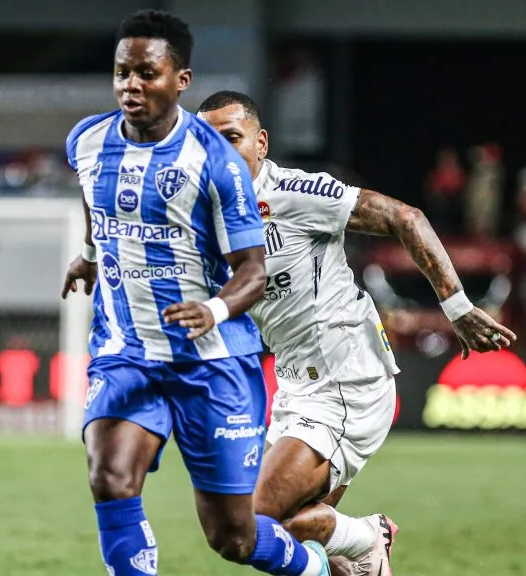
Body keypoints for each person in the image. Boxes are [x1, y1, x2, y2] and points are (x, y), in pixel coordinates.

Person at [197, 91, 518, 576]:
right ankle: (356, 558)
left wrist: (457, 307)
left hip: (346, 380)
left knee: (250, 520)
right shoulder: (207, 214)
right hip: (295, 385)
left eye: (232, 138)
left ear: (261, 143)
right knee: (271, 531)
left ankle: (368, 536)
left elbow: (405, 217)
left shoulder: (293, 193)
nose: (220, 152)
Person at [62, 10, 331, 576]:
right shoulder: (86, 140)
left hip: (212, 363)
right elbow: (93, 196)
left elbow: (253, 272)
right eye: (122, 73)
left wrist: (213, 309)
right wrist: (89, 254)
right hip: (127, 351)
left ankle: (315, 568)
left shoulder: (215, 161)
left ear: (180, 79)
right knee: (110, 477)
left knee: (232, 536)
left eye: (147, 73)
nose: (131, 86)